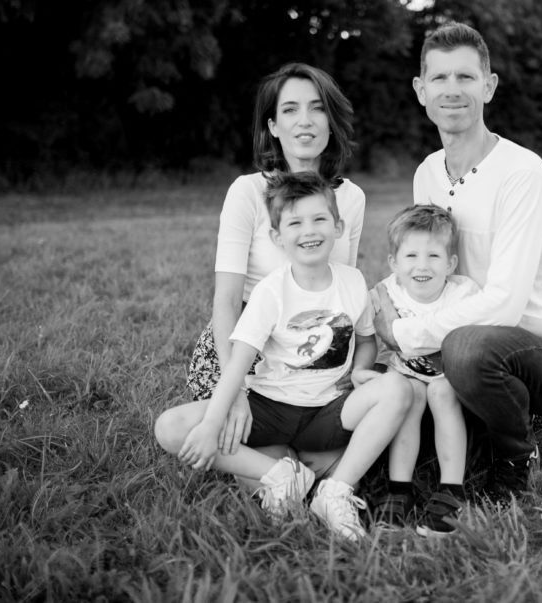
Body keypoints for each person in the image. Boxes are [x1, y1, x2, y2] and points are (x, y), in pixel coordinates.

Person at [373, 21, 542, 502]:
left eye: (466, 77)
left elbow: (506, 305)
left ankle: (516, 455)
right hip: (450, 336)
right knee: (404, 392)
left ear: (488, 87)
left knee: (468, 350)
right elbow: (424, 269)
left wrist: (407, 334)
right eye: (440, 78)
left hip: (541, 350)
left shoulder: (521, 171)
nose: (452, 90)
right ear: (420, 90)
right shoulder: (427, 172)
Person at [155, 172, 413, 541]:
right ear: (278, 237)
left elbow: (367, 341)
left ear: (338, 226)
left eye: (319, 219)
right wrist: (213, 422)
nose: (309, 230)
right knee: (171, 427)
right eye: (295, 222)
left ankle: (335, 491)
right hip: (270, 407)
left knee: (397, 389)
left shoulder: (352, 281)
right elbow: (239, 362)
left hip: (328, 411)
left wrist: (359, 369)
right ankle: (281, 477)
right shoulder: (270, 291)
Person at [185, 62, 365, 483]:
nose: (305, 121)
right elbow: (227, 301)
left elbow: (340, 297)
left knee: (326, 443)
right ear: (273, 125)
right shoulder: (247, 191)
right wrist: (238, 392)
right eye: (290, 110)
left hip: (309, 343)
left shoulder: (351, 199)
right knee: (231, 431)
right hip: (244, 343)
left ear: (331, 120)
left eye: (317, 109)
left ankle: (295, 463)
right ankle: (285, 469)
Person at [369, 204, 479, 535]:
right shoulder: (387, 293)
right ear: (394, 263)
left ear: (451, 263)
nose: (422, 266)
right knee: (410, 393)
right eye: (411, 256)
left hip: (449, 377)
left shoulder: (463, 293)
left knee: (442, 392)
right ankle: (399, 488)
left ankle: (450, 490)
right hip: (404, 373)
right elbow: (371, 338)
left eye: (433, 256)